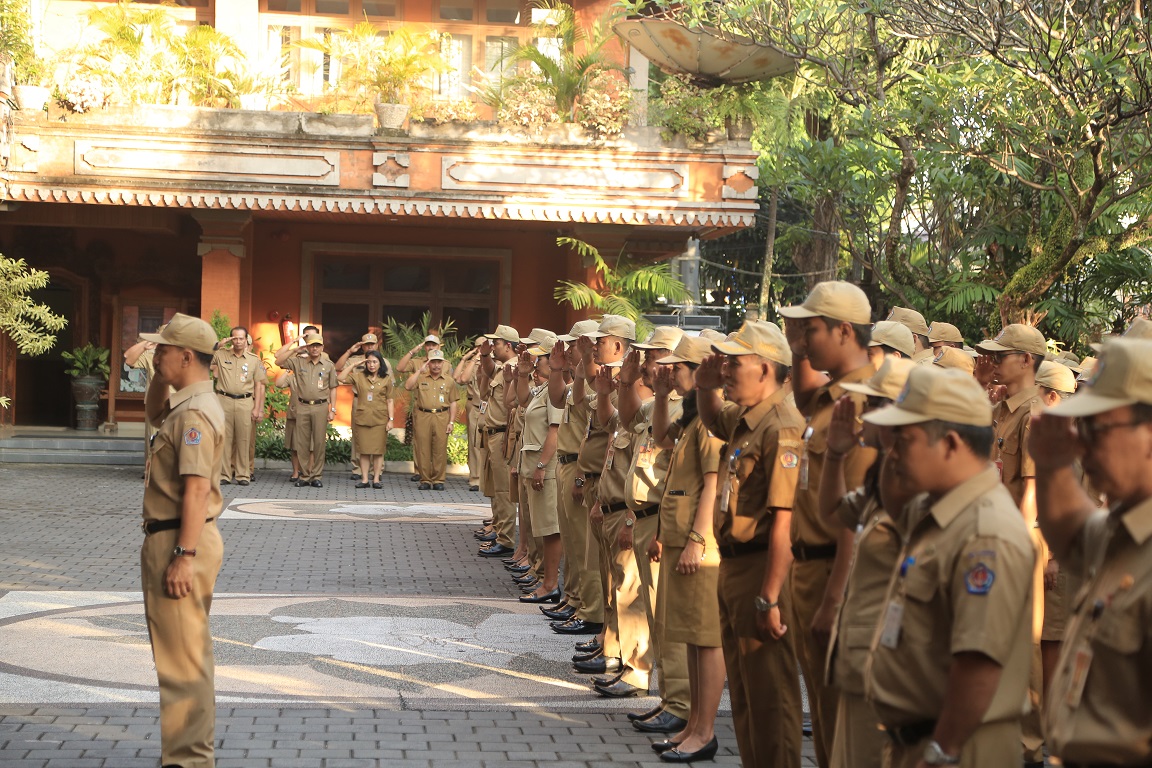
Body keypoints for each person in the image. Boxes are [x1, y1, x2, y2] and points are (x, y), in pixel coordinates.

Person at [863, 366, 1035, 768]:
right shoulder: (937, 506)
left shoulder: (984, 532)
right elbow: (894, 504)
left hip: (956, 748)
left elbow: (978, 662)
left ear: (951, 444)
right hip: (919, 740)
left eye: (905, 440)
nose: (894, 451)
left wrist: (943, 751)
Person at [1030, 337, 1152, 767]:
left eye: (1097, 429)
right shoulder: (1126, 528)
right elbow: (1072, 533)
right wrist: (1051, 464)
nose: (1084, 446)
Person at [696, 321, 806, 768]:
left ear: (764, 369)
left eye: (734, 363)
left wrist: (770, 597)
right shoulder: (747, 419)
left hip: (763, 569)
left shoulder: (782, 428)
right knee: (743, 695)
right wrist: (704, 387)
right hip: (736, 568)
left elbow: (785, 521)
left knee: (771, 700)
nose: (726, 369)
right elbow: (711, 417)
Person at [779, 280, 879, 768]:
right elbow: (803, 393)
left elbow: (852, 520)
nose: (804, 340)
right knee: (821, 712)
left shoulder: (862, 402)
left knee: (841, 723)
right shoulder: (829, 398)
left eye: (812, 330)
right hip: (807, 570)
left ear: (844, 331)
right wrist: (797, 344)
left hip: (831, 573)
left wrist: (835, 600)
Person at [138, 312, 226, 768]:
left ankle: (188, 761)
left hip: (180, 538)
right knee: (182, 653)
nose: (157, 355)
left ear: (186, 356)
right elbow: (154, 414)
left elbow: (194, 488)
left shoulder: (194, 412)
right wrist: (157, 376)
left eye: (163, 350)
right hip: (176, 536)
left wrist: (183, 556)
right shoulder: (184, 402)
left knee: (182, 661)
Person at [820, 357, 916, 768]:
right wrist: (835, 455)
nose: (863, 414)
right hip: (858, 655)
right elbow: (836, 512)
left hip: (885, 661)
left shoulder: (914, 484)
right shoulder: (884, 477)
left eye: (874, 405)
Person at [648, 334, 725, 763]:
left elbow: (712, 483)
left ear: (698, 375)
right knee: (692, 641)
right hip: (679, 539)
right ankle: (694, 725)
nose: (669, 371)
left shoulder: (711, 424)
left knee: (706, 639)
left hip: (700, 546)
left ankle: (705, 731)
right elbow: (660, 438)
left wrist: (698, 539)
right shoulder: (692, 418)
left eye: (678, 368)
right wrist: (660, 395)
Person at [974, 323, 1048, 766]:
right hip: (995, 533)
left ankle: (1030, 746)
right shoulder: (1001, 409)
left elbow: (1033, 491)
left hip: (1021, 537)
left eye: (1003, 355)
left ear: (1026, 361)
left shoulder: (1034, 414)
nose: (994, 361)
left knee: (1026, 642)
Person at [620, 327, 690, 734]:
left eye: (652, 356)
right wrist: (631, 382)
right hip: (647, 520)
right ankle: (669, 698)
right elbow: (630, 419)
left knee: (670, 620)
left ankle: (680, 701)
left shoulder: (694, 409)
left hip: (663, 523)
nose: (645, 361)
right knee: (656, 616)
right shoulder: (660, 404)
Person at [544, 320, 603, 631]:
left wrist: (580, 476)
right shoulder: (578, 382)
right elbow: (558, 398)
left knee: (584, 545)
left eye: (574, 346)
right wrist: (557, 369)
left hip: (579, 470)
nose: (567, 351)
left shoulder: (597, 385)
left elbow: (595, 436)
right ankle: (574, 598)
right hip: (565, 465)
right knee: (571, 539)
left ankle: (589, 608)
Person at [516, 337, 564, 604]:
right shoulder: (544, 389)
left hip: (545, 466)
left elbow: (554, 431)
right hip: (533, 463)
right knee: (543, 526)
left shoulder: (556, 391)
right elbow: (523, 400)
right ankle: (546, 580)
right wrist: (523, 376)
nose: (535, 364)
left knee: (550, 528)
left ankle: (550, 584)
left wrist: (542, 466)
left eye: (539, 359)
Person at [477, 325, 520, 557]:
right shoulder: (503, 367)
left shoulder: (512, 368)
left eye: (497, 343)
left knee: (504, 490)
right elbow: (488, 371)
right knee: (496, 488)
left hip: (503, 434)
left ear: (509, 346)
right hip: (494, 433)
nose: (493, 346)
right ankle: (500, 530)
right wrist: (484, 355)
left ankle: (506, 539)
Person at [210, 326, 267, 487]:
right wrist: (218, 345)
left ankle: (243, 475)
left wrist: (257, 408)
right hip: (224, 400)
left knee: (244, 439)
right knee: (224, 439)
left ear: (246, 339)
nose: (238, 341)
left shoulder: (253, 359)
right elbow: (204, 359)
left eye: (241, 338)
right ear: (230, 339)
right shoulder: (221, 355)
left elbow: (258, 384)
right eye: (235, 338)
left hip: (245, 402)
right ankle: (224, 474)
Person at [281, 333, 337, 488]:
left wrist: (333, 409)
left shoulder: (328, 365)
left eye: (318, 345)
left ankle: (316, 475)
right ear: (307, 347)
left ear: (322, 347)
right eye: (312, 345)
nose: (315, 348)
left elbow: (333, 388)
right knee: (302, 442)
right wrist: (295, 349)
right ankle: (305, 475)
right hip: (303, 406)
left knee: (319, 442)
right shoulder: (298, 362)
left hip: (320, 406)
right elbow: (278, 360)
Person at [274, 324, 324, 483]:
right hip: (298, 406)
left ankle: (310, 472)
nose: (311, 343)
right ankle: (298, 473)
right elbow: (278, 357)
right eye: (306, 337)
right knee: (296, 443)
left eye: (314, 338)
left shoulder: (324, 357)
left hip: (316, 407)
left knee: (312, 444)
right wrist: (295, 345)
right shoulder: (296, 357)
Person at [405, 349, 459, 491]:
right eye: (433, 362)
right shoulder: (421, 377)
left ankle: (438, 480)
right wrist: (418, 371)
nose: (436, 365)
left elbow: (453, 402)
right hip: (423, 415)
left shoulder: (449, 381)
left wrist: (451, 422)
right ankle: (425, 479)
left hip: (442, 416)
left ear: (443, 363)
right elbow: (408, 386)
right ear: (428, 363)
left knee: (440, 448)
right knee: (423, 448)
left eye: (438, 362)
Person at [340, 350, 394, 489]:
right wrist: (354, 365)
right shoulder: (359, 376)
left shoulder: (386, 379)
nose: (371, 365)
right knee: (363, 451)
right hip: (362, 419)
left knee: (378, 451)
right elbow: (341, 377)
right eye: (368, 362)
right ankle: (364, 479)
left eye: (375, 362)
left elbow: (390, 400)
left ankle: (376, 479)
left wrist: (391, 419)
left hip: (380, 419)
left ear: (380, 363)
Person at [335, 332, 381, 480]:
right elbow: (338, 368)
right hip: (359, 400)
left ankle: (376, 471)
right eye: (366, 344)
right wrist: (349, 352)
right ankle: (358, 469)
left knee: (377, 435)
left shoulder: (383, 362)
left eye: (372, 344)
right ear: (362, 346)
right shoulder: (356, 361)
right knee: (358, 435)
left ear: (376, 345)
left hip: (378, 402)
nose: (369, 347)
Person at [455, 338, 485, 491]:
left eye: (484, 346)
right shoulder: (473, 363)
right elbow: (461, 379)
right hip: (474, 405)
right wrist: (469, 359)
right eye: (478, 346)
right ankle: (475, 478)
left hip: (490, 407)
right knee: (474, 443)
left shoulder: (496, 363)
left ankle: (487, 478)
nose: (481, 349)